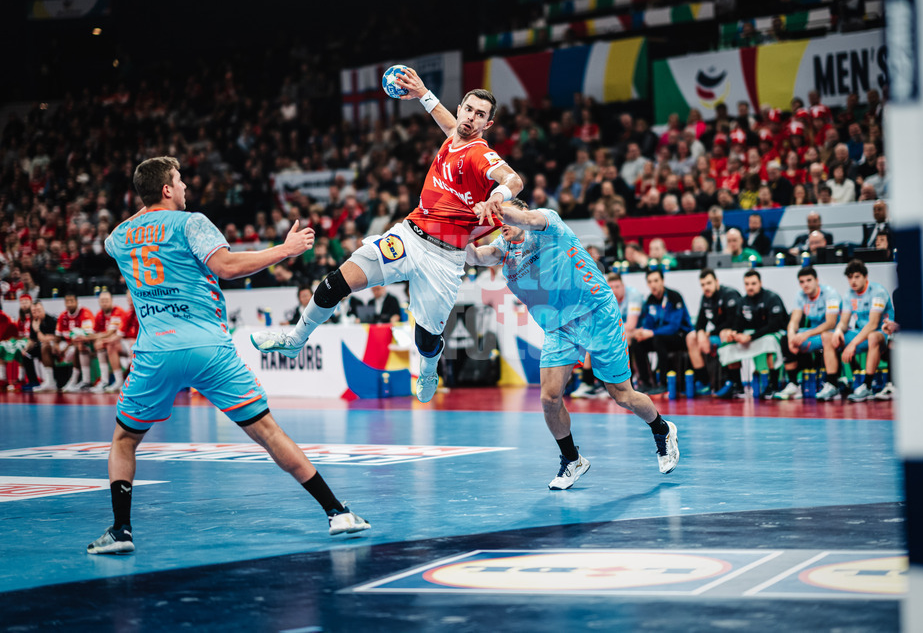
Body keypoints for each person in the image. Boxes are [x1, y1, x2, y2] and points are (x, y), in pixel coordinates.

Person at [88, 156, 369, 556]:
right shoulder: (191, 223)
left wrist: (147, 203)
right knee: (268, 432)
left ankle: (120, 531)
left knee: (123, 440)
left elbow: (115, 237)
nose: (185, 187)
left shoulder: (120, 236)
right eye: (179, 181)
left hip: (156, 352)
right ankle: (336, 512)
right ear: (167, 189)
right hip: (207, 347)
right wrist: (285, 250)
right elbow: (226, 267)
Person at [252, 73, 524, 404]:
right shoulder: (454, 135)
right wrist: (423, 92)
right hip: (409, 236)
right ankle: (295, 340)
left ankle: (428, 368)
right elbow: (445, 119)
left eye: (480, 114)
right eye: (468, 109)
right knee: (337, 282)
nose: (471, 117)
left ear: (488, 123)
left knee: (426, 339)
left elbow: (513, 179)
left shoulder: (481, 153)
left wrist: (499, 194)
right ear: (461, 108)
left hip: (445, 258)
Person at [466, 199, 679, 489]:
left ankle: (662, 430)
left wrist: (496, 209)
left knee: (621, 394)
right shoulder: (504, 251)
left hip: (596, 312)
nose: (499, 224)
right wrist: (458, 234)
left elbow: (526, 220)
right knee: (549, 398)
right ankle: (572, 459)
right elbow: (477, 256)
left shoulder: (546, 224)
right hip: (559, 327)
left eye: (504, 214)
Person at [819, 259, 895, 401]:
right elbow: (844, 321)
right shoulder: (849, 295)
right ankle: (832, 384)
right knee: (827, 337)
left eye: (857, 277)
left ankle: (867, 386)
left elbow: (873, 324)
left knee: (872, 336)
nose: (853, 281)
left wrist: (852, 344)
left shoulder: (878, 292)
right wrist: (838, 331)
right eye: (850, 277)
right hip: (862, 335)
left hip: (882, 334)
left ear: (865, 277)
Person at [716, 270, 789, 398]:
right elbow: (738, 323)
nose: (750, 287)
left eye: (753, 283)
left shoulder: (772, 298)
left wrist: (750, 337)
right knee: (728, 345)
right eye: (747, 284)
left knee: (769, 341)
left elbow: (774, 326)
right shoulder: (742, 302)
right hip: (752, 335)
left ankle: (772, 384)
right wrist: (733, 333)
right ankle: (737, 385)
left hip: (773, 333)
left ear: (760, 283)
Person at [571, 272, 644, 398]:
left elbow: (631, 324)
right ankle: (591, 384)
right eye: (611, 287)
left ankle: (625, 382)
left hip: (637, 331)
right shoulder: (606, 297)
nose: (614, 290)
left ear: (623, 286)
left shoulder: (633, 295)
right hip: (618, 330)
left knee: (616, 339)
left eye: (617, 286)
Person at [779, 267, 843, 399]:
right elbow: (795, 320)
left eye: (809, 280)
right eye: (802, 282)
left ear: (817, 280)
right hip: (814, 334)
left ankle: (832, 384)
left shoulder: (830, 294)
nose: (805, 284)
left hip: (832, 333)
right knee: (785, 339)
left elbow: (831, 323)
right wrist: (791, 335)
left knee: (824, 338)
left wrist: (805, 335)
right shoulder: (800, 296)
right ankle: (794, 384)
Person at [630, 269, 693, 395]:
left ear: (662, 281)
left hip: (680, 336)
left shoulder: (674, 297)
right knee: (636, 342)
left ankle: (663, 384)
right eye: (650, 282)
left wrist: (652, 333)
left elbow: (674, 326)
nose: (653, 284)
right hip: (658, 336)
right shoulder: (650, 300)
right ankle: (646, 383)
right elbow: (648, 323)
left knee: (659, 340)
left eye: (656, 281)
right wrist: (643, 333)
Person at [686, 268, 743, 394]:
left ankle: (734, 383)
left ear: (717, 282)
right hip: (716, 334)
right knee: (691, 337)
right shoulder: (706, 298)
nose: (706, 287)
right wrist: (701, 334)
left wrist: (709, 334)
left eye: (709, 283)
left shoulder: (729, 294)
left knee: (725, 333)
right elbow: (700, 323)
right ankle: (704, 382)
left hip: (735, 333)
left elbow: (732, 322)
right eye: (703, 285)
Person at [89, 291, 129, 393]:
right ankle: (104, 381)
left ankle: (119, 381)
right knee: (100, 345)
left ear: (111, 301)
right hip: (113, 343)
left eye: (106, 300)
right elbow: (94, 333)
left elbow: (111, 332)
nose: (104, 303)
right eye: (102, 301)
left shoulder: (117, 311)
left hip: (124, 341)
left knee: (110, 344)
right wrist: (96, 339)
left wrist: (97, 338)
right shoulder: (99, 315)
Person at [56, 294, 95, 392]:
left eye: (71, 301)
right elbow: (57, 337)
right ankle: (50, 382)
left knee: (79, 345)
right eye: (67, 301)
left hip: (85, 345)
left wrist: (66, 348)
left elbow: (86, 336)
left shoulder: (85, 313)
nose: (69, 304)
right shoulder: (62, 316)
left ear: (77, 302)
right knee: (47, 347)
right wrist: (56, 347)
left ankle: (75, 381)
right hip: (67, 345)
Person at [22, 301, 59, 392]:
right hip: (41, 346)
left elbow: (47, 339)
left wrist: (37, 330)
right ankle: (33, 381)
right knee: (27, 354)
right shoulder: (33, 321)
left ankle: (50, 381)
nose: (36, 313)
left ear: (43, 309)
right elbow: (32, 339)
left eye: (38, 310)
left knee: (44, 347)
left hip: (52, 348)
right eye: (34, 312)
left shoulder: (51, 320)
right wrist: (26, 348)